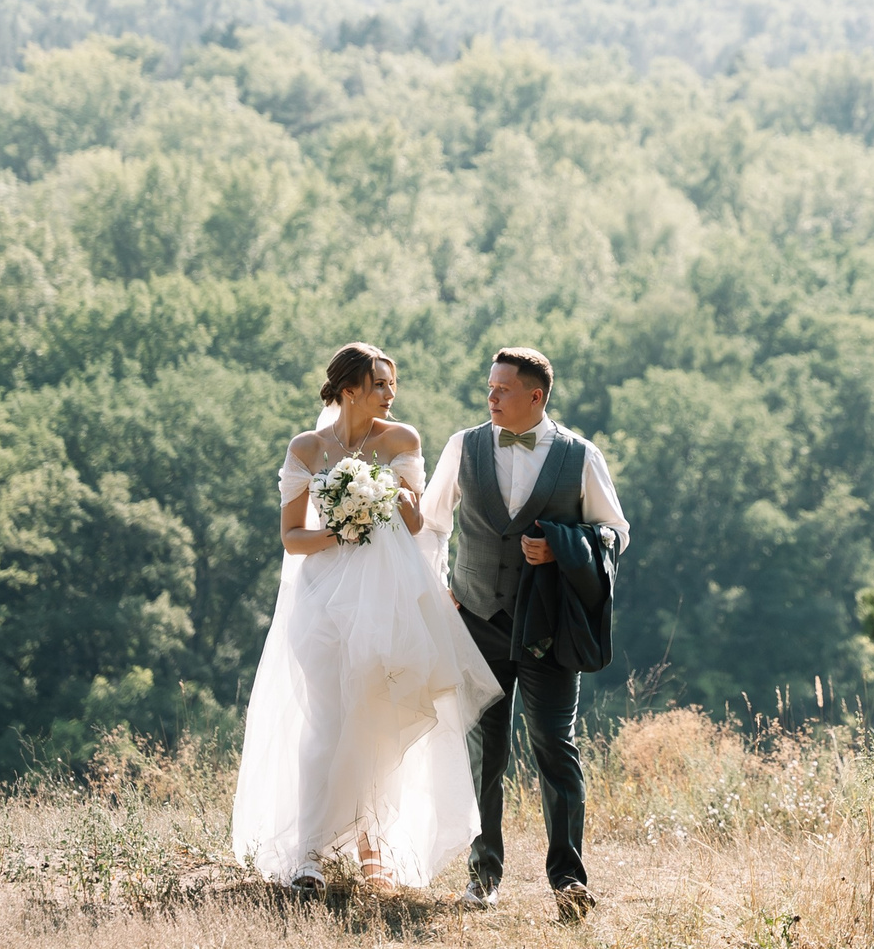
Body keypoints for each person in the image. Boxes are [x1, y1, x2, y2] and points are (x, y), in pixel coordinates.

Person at [231, 343, 502, 894]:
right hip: (322, 603)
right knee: (326, 723)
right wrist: (341, 530)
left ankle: (373, 848)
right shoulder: (306, 448)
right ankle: (309, 854)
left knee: (379, 721)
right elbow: (292, 537)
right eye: (379, 384)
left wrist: (393, 498)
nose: (389, 393)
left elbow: (416, 523)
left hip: (388, 602)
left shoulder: (402, 440)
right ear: (349, 389)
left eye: (392, 384)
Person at [421, 346, 629, 923]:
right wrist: (442, 590)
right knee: (484, 753)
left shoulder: (581, 456)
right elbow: (431, 523)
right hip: (476, 622)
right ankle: (482, 877)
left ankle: (569, 881)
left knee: (555, 749)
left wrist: (562, 548)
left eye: (502, 389)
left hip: (547, 629)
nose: (490, 397)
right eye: (489, 388)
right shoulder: (463, 446)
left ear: (535, 396)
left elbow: (615, 532)